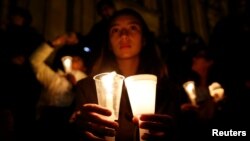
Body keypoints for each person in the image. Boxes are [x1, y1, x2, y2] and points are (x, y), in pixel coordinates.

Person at [70, 8, 181, 141]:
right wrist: (78, 126)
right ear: (109, 44)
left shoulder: (167, 89)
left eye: (133, 27)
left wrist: (173, 133)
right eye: (115, 30)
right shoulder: (87, 87)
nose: (123, 35)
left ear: (144, 39)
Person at [29, 32, 88, 141]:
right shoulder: (55, 77)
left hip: (67, 120)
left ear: (84, 67)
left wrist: (75, 84)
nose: (74, 58)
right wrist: (54, 43)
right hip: (45, 115)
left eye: (78, 59)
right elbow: (34, 61)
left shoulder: (84, 78)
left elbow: (87, 96)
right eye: (72, 57)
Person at [85, 0, 116, 69]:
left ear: (113, 8)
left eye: (107, 8)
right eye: (102, 10)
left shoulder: (120, 20)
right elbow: (89, 40)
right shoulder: (98, 27)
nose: (105, 12)